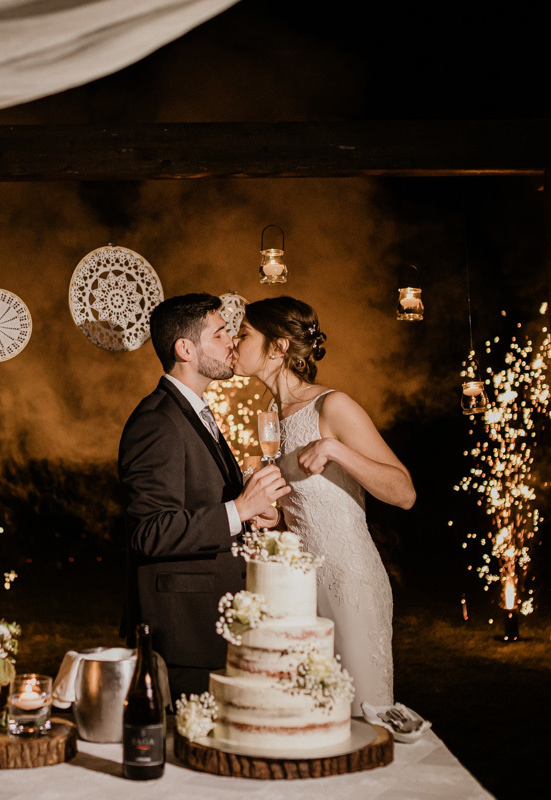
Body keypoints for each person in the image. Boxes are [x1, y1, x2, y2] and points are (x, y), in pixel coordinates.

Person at [233, 296, 415, 708]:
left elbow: (404, 492)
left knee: (360, 713)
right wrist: (275, 518)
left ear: (278, 347)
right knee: (312, 717)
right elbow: (307, 507)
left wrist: (335, 449)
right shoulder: (272, 415)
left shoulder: (330, 405)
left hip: (349, 584)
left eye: (243, 335)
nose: (234, 343)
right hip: (298, 589)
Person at [119, 293, 290, 699]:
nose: (232, 342)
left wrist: (253, 515)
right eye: (219, 334)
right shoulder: (156, 420)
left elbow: (201, 504)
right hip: (183, 632)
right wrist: (238, 509)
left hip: (210, 623)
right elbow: (150, 532)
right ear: (185, 349)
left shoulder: (192, 412)